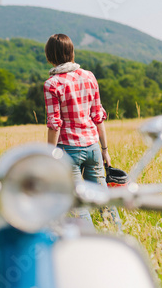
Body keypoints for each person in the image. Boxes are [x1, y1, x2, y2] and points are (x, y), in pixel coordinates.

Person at [43, 33, 121, 231]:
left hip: (67, 150)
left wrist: (50, 157)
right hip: (93, 146)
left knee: (77, 205)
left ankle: (88, 243)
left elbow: (54, 124)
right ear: (71, 52)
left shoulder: (52, 84)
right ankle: (118, 237)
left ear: (50, 56)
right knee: (104, 200)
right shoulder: (89, 76)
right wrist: (105, 149)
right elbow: (98, 116)